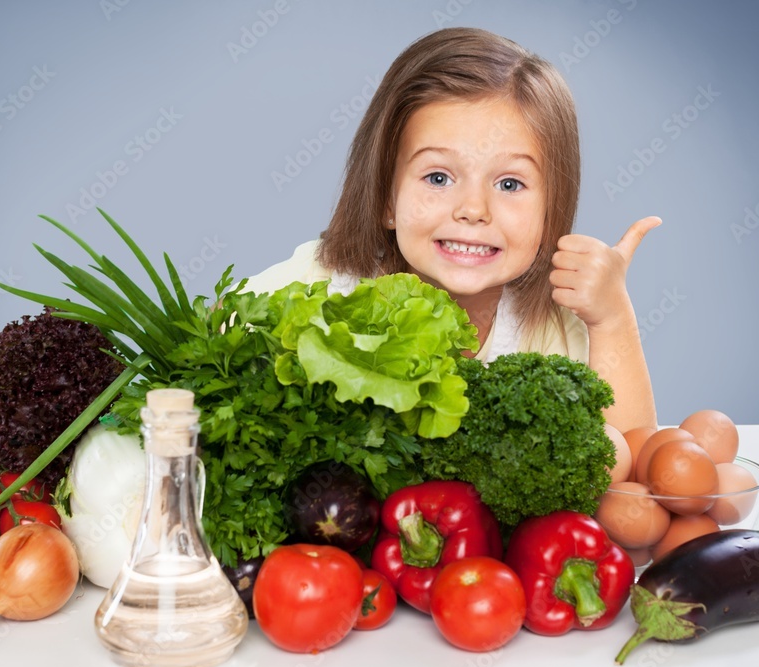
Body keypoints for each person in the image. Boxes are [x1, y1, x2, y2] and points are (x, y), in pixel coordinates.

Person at [247, 27, 658, 433]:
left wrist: (613, 319)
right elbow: (207, 349)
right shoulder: (317, 289)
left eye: (509, 184)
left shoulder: (555, 326)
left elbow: (630, 460)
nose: (473, 210)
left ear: (552, 210)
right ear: (386, 199)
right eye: (439, 178)